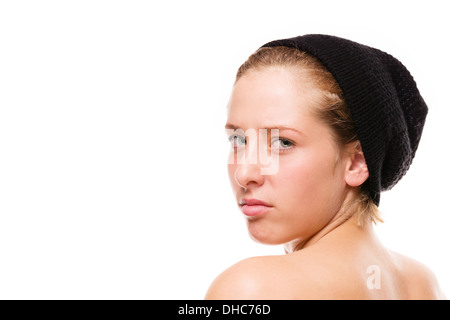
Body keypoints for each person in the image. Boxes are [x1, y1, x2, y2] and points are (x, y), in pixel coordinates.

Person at [204, 34, 445, 299]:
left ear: (357, 162)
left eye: (283, 142)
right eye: (238, 139)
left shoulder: (252, 288)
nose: (244, 173)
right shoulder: (422, 284)